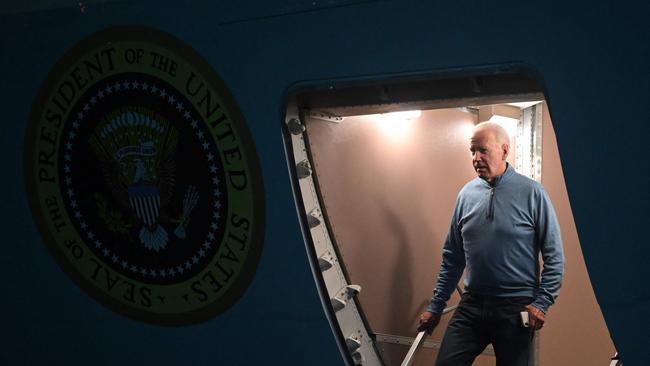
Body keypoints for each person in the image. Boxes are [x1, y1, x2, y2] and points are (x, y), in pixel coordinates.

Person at [417, 122, 565, 366]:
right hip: (472, 304)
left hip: (515, 307)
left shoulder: (533, 193)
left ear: (504, 150)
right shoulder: (466, 194)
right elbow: (452, 256)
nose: (476, 158)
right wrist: (436, 306)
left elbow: (555, 256)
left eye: (483, 151)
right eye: (472, 151)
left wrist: (542, 302)